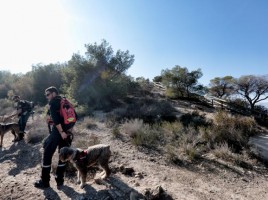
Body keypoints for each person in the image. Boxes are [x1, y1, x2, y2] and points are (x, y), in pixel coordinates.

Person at [34, 86, 77, 189]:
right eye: (46, 95)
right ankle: (60, 180)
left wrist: (61, 132)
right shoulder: (65, 101)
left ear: (53, 93)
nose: (47, 96)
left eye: (48, 94)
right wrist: (69, 131)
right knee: (63, 156)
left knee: (47, 154)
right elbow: (75, 117)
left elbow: (56, 121)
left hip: (58, 133)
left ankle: (45, 182)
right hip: (67, 133)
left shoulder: (53, 103)